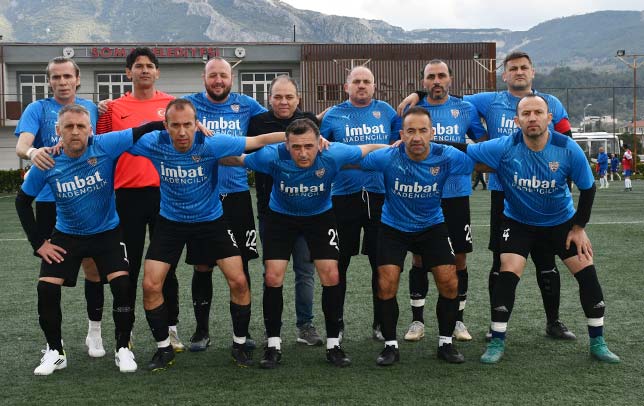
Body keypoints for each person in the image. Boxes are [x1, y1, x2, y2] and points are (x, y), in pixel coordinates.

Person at [398, 51, 576, 341]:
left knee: (546, 260)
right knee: (498, 260)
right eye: (513, 68)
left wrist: (564, 181)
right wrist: (419, 94)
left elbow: (568, 142)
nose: (519, 72)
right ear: (504, 75)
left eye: (524, 68)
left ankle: (553, 321)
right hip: (501, 193)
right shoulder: (485, 101)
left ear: (532, 72)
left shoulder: (550, 103)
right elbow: (444, 96)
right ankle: (494, 326)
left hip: (542, 195)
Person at [128, 99, 284, 371]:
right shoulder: (153, 142)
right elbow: (112, 142)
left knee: (239, 281)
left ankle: (239, 345)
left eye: (188, 125)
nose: (182, 132)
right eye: (175, 125)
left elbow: (258, 140)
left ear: (196, 124)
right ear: (165, 126)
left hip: (211, 221)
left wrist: (305, 136)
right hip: (170, 222)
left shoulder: (212, 143)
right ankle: (163, 348)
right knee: (151, 285)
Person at [462, 94, 619, 364]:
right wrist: (420, 143)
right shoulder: (504, 146)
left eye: (538, 112)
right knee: (507, 271)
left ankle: (598, 342)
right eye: (526, 114)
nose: (532, 118)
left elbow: (588, 188)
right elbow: (461, 149)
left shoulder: (567, 148)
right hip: (518, 223)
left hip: (560, 223)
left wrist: (579, 228)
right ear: (517, 121)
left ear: (549, 118)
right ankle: (497, 340)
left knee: (587, 271)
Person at [14, 104, 162, 374]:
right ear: (58, 131)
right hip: (67, 234)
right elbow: (22, 202)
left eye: (81, 126)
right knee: (46, 288)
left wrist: (191, 125)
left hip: (106, 232)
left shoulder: (105, 144)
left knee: (122, 284)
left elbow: (147, 128)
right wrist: (39, 244)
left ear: (90, 129)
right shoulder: (47, 161)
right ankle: (56, 352)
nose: (75, 131)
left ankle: (123, 348)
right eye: (68, 127)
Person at [229, 118, 387, 368]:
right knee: (273, 277)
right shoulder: (271, 156)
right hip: (280, 218)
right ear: (286, 145)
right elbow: (238, 159)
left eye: (308, 146)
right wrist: (201, 154)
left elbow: (368, 148)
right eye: (296, 147)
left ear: (319, 143)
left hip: (319, 217)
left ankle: (333, 345)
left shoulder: (333, 153)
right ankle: (273, 345)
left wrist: (400, 147)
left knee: (331, 274)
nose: (303, 153)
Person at [360, 107, 486, 366]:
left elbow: (483, 162)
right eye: (410, 131)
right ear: (401, 134)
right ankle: (390, 345)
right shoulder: (387, 156)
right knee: (386, 283)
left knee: (449, 281)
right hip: (393, 227)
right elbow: (352, 158)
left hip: (432, 226)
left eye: (422, 131)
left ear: (432, 133)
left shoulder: (447, 155)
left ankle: (446, 343)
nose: (416, 137)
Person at [14, 56, 107, 358]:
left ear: (78, 79)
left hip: (86, 198)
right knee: (50, 275)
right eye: (56, 77)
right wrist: (33, 153)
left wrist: (108, 106)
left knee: (93, 268)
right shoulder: (36, 109)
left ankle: (95, 332)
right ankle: (54, 344)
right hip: (50, 202)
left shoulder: (91, 108)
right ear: (49, 81)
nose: (62, 81)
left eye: (67, 76)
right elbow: (22, 146)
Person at [95, 47, 185, 351]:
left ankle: (171, 328)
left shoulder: (171, 106)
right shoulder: (112, 108)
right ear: (128, 72)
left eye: (149, 66)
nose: (144, 70)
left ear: (157, 72)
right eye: (138, 65)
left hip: (165, 195)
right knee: (127, 267)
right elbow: (101, 146)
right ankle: (126, 330)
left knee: (166, 267)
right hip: (126, 196)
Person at [399, 60, 487, 343]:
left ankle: (458, 320)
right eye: (430, 77)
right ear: (423, 81)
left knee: (459, 257)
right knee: (419, 257)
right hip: (422, 195)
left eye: (441, 76)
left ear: (450, 78)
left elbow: (482, 144)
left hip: (456, 194)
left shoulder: (465, 108)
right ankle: (417, 321)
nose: (436, 81)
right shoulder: (413, 110)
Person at [183, 57, 267, 351]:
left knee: (240, 266)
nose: (218, 80)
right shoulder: (189, 104)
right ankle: (201, 331)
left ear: (232, 78)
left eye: (223, 75)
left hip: (238, 196)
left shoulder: (247, 104)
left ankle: (241, 332)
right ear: (203, 77)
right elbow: (160, 117)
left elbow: (278, 120)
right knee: (202, 265)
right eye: (213, 75)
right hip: (201, 197)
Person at [319, 65, 402, 341]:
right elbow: (321, 151)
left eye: (367, 81)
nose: (362, 85)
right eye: (356, 81)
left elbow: (398, 148)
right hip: (343, 198)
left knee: (381, 264)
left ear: (374, 86)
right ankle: (337, 324)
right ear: (347, 87)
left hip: (381, 197)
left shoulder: (387, 112)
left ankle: (381, 323)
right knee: (338, 265)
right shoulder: (333, 115)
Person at [247, 75, 323, 346]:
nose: (283, 102)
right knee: (272, 274)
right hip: (271, 212)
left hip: (307, 211)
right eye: (278, 96)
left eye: (289, 97)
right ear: (269, 99)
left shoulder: (309, 121)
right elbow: (247, 151)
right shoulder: (257, 122)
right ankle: (272, 329)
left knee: (305, 271)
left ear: (298, 98)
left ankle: (305, 325)